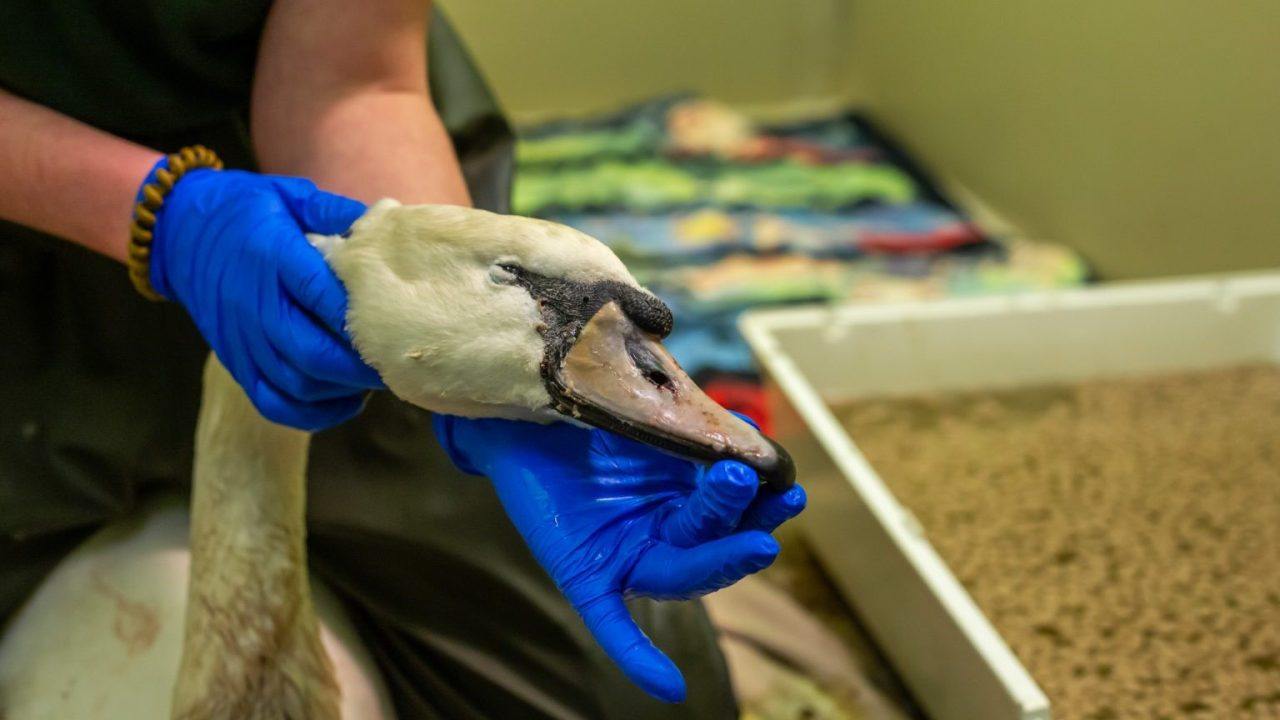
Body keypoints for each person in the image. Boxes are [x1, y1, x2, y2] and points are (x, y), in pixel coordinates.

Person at [0, 2, 804, 718]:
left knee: (642, 702)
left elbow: (350, 83)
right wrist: (160, 214)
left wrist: (494, 402)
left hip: (321, 238)